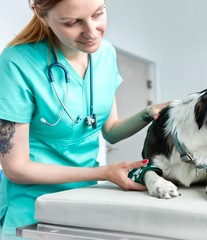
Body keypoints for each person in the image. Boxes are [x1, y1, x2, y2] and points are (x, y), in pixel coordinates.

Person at [0, 0, 169, 238]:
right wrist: (104, 173)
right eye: (72, 22)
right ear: (42, 16)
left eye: (98, 14)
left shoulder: (105, 52)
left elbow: (110, 130)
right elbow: (16, 168)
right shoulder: (17, 62)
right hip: (32, 210)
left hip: (84, 202)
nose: (91, 32)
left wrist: (148, 113)